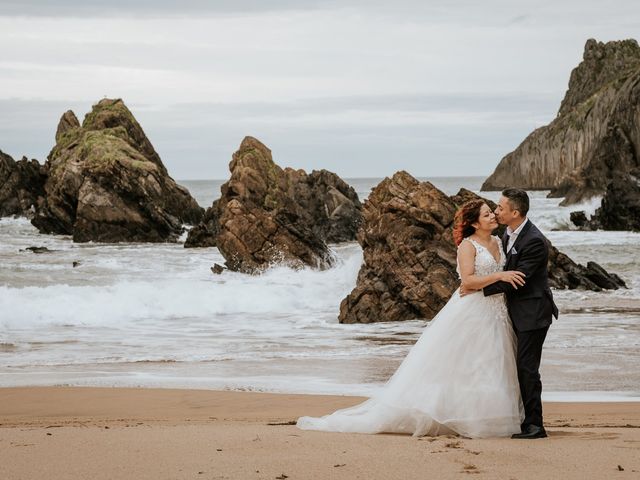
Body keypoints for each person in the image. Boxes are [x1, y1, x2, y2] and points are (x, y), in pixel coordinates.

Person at [296, 199, 526, 438]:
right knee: (468, 363)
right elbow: (467, 281)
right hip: (473, 310)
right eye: (487, 214)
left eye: (492, 212)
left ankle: (487, 417)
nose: (492, 216)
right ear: (474, 223)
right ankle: (460, 417)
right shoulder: (468, 246)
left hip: (497, 310)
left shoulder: (499, 241)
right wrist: (500, 274)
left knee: (492, 363)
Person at [467, 188, 558, 440]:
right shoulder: (505, 234)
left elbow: (518, 280)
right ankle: (522, 419)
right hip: (513, 311)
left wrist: (478, 289)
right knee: (515, 366)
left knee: (527, 368)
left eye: (500, 208)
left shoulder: (534, 240)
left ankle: (535, 425)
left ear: (514, 212)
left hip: (533, 311)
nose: (496, 211)